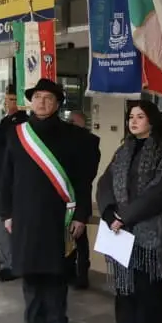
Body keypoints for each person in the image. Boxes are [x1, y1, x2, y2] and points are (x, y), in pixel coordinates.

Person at [0, 78, 99, 323]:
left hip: (59, 217)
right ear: (31, 102)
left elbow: (82, 180)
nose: (42, 102)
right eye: (38, 97)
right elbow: (7, 176)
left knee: (57, 275)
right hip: (25, 215)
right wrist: (7, 213)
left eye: (49, 98)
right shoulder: (17, 134)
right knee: (30, 274)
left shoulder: (74, 136)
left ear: (57, 104)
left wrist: (81, 215)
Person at [97, 100, 162, 323]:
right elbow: (105, 182)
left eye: (140, 116)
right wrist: (108, 212)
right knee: (124, 292)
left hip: (147, 233)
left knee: (147, 294)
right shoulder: (124, 149)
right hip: (120, 232)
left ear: (152, 120)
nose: (133, 121)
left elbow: (160, 191)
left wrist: (126, 216)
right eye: (131, 116)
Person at [0, 88, 26, 282]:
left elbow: (3, 137)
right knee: (0, 227)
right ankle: (6, 262)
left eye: (12, 99)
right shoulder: (5, 121)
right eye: (6, 99)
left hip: (13, 184)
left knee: (12, 226)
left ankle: (14, 264)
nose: (7, 103)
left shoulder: (22, 122)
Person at [67, 107, 98, 289]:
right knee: (68, 235)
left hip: (80, 194)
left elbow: (88, 174)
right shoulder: (66, 140)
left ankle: (82, 273)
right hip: (66, 195)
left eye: (73, 122)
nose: (69, 125)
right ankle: (69, 270)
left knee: (79, 236)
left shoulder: (89, 142)